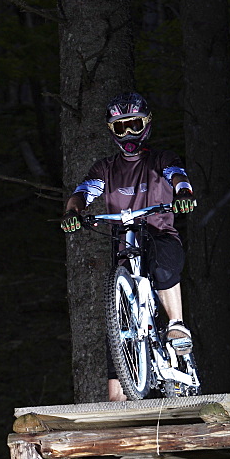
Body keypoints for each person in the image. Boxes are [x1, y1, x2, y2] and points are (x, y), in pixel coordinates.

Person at [61, 92, 197, 402]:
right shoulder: (105, 169)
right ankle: (117, 404)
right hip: (124, 246)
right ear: (111, 131)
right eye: (120, 128)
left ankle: (175, 325)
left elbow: (178, 177)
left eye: (134, 125)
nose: (128, 134)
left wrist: (184, 193)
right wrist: (73, 212)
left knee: (162, 263)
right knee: (117, 331)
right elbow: (84, 192)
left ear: (146, 125)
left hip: (159, 235)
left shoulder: (160, 160)